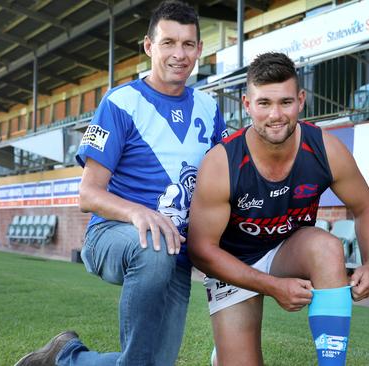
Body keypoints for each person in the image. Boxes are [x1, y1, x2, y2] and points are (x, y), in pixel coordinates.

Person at [15, 1, 226, 365]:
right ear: (148, 46)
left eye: (188, 44)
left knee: (150, 363)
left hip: (175, 256)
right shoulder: (120, 102)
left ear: (199, 49)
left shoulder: (209, 107)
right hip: (116, 237)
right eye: (168, 43)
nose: (179, 54)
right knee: (154, 248)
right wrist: (138, 213)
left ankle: (64, 357)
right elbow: (87, 193)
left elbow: (223, 180)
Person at [187, 52, 369, 366]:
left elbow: (367, 207)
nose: (275, 115)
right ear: (247, 104)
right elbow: (201, 251)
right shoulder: (221, 162)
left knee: (326, 247)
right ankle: (227, 351)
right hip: (233, 263)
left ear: (301, 100)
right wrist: (274, 287)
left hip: (287, 249)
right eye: (264, 103)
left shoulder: (325, 148)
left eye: (285, 102)